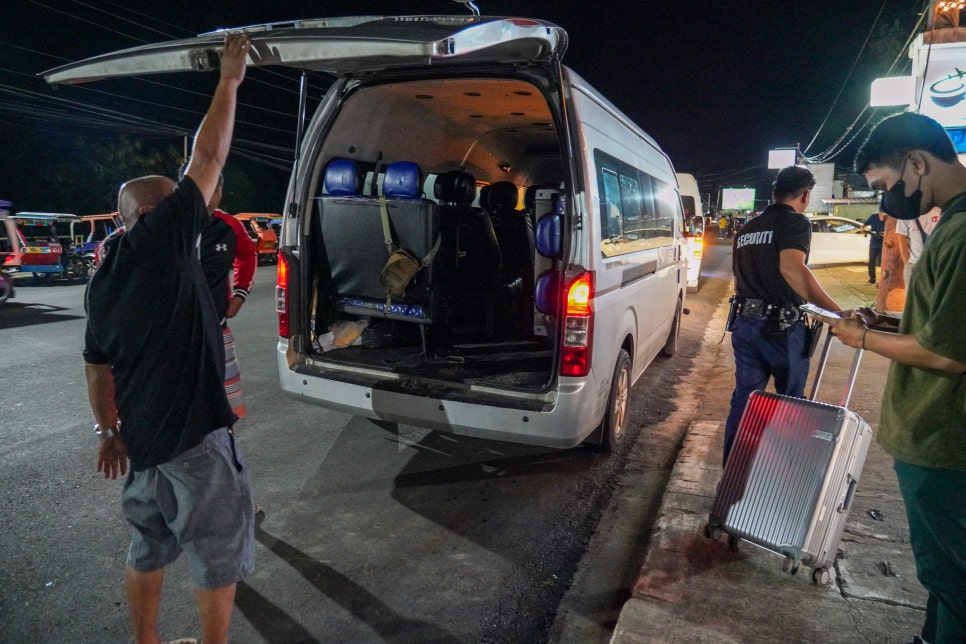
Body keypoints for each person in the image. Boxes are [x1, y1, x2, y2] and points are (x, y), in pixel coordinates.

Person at [83, 33, 253, 644]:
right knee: (217, 550)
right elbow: (207, 160)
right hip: (193, 442)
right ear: (159, 218)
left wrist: (109, 433)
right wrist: (229, 80)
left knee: (147, 544)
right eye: (183, 207)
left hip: (142, 443)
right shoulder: (163, 244)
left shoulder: (103, 280)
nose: (198, 208)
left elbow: (98, 370)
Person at [818, 112, 966, 644]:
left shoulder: (963, 232)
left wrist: (862, 339)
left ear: (917, 163)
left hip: (943, 439)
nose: (885, 201)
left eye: (884, 186)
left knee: (954, 580)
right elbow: (940, 321)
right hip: (930, 436)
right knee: (942, 577)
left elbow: (948, 355)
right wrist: (884, 321)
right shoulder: (950, 220)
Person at [722, 165, 841, 464]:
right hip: (781, 330)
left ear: (775, 192)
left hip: (746, 326)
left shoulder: (748, 228)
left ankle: (734, 475)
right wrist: (837, 312)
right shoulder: (795, 223)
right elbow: (792, 268)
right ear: (805, 195)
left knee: (746, 400)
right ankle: (779, 483)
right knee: (789, 405)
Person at [201, 173, 257, 421]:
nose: (206, 197)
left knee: (225, 402)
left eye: (213, 190)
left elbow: (247, 255)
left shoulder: (229, 226)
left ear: (220, 192)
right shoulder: (167, 224)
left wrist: (240, 294)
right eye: (200, 188)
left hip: (216, 326)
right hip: (173, 333)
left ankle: (226, 431)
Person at [894, 206, 939, 287]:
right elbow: (901, 238)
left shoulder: (939, 210)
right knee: (913, 297)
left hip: (937, 264)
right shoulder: (905, 213)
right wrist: (907, 263)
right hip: (915, 264)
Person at [864, 211, 885, 284]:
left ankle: (883, 280)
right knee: (871, 261)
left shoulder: (888, 218)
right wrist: (865, 230)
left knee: (882, 262)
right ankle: (872, 279)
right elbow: (864, 225)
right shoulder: (873, 217)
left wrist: (885, 234)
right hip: (874, 243)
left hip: (884, 243)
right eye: (881, 213)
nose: (882, 215)